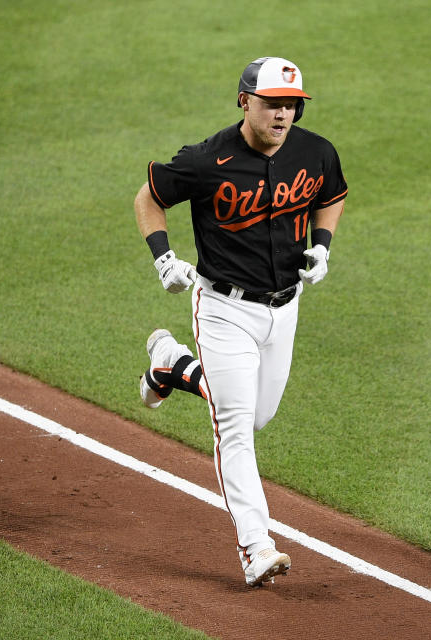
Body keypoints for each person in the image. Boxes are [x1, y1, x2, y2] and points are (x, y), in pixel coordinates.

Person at [132, 57, 348, 587]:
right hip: (224, 309)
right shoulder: (206, 160)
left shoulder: (315, 151)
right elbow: (149, 197)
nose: (282, 113)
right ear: (244, 101)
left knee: (256, 417)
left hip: (285, 307)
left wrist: (322, 247)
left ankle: (173, 364)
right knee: (234, 429)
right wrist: (163, 259)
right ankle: (255, 545)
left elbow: (333, 196)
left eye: (291, 104)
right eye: (272, 102)